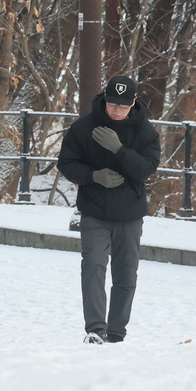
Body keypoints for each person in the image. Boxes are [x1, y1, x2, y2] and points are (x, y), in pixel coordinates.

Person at [57, 75, 161, 345]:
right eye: (112, 103)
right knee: (93, 266)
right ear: (105, 98)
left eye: (123, 105)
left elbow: (146, 169)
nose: (116, 109)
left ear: (133, 103)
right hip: (94, 211)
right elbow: (66, 162)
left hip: (130, 213)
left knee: (126, 272)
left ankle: (116, 330)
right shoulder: (84, 126)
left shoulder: (145, 132)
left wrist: (119, 149)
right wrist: (93, 176)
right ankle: (95, 328)